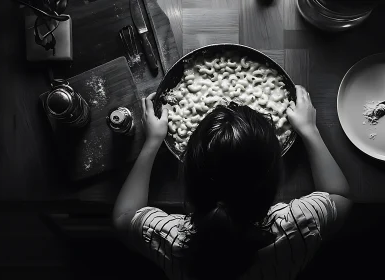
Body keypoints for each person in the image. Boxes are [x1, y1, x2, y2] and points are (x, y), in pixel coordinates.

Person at [113, 85, 352, 280]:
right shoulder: (300, 225)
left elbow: (123, 218)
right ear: (276, 184)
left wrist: (152, 142)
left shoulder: (170, 240)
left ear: (185, 179)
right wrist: (310, 131)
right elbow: (341, 197)